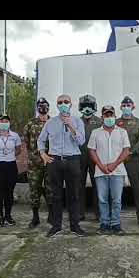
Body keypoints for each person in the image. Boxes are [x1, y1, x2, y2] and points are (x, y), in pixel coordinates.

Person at [37, 94, 87, 238]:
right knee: (56, 195)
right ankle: (56, 226)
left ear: (71, 104)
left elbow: (81, 141)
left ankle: (74, 225)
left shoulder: (77, 121)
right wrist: (43, 154)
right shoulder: (50, 122)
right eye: (60, 102)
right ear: (57, 105)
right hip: (55, 161)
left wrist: (70, 125)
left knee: (74, 195)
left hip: (72, 160)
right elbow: (41, 140)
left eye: (66, 102)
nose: (63, 104)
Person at [88, 106, 131, 235]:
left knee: (117, 199)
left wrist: (114, 164)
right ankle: (104, 224)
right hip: (100, 172)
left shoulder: (122, 132)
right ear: (102, 117)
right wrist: (101, 165)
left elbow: (126, 151)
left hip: (118, 171)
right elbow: (91, 150)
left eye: (111, 115)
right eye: (106, 115)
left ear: (115, 116)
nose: (109, 118)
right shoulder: (95, 132)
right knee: (102, 199)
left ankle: (116, 224)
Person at [116, 96, 139, 228]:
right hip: (117, 159)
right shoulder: (115, 122)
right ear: (121, 107)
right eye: (124, 105)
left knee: (138, 189)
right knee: (114, 188)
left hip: (133, 158)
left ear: (133, 107)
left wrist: (131, 151)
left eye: (128, 105)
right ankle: (112, 217)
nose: (126, 108)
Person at [23, 97, 53, 229]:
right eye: (40, 105)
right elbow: (27, 142)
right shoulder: (30, 124)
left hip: (50, 162)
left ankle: (52, 216)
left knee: (50, 190)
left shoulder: (53, 123)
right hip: (34, 163)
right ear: (37, 108)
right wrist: (34, 156)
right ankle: (35, 217)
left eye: (45, 105)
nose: (42, 108)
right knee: (34, 190)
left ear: (48, 107)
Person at [0, 114, 22, 227]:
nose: (4, 122)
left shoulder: (15, 136)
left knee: (9, 192)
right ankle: (0, 217)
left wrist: (9, 157)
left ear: (9, 122)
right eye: (2, 121)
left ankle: (8, 216)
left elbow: (18, 150)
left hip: (11, 166)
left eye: (6, 121)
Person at [78, 95, 103, 221]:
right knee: (79, 185)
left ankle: (98, 212)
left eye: (90, 106)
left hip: (95, 158)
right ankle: (79, 212)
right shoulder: (76, 121)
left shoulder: (99, 122)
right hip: (80, 158)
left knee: (97, 185)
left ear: (94, 107)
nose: (87, 108)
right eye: (84, 106)